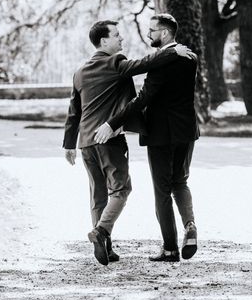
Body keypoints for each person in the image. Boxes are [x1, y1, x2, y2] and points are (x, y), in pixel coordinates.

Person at [63, 20, 193, 266]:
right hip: (109, 140)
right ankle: (101, 231)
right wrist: (172, 51)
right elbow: (145, 64)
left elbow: (74, 111)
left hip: (86, 143)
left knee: (98, 194)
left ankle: (106, 248)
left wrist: (69, 144)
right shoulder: (115, 63)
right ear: (104, 41)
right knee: (121, 189)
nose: (122, 39)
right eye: (117, 35)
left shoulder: (79, 71)